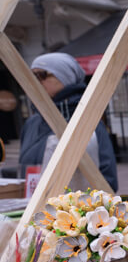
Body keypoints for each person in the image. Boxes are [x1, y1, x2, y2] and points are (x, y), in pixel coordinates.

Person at [19, 52, 118, 191]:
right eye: (31, 76)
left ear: (65, 77)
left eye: (41, 75)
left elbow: (108, 180)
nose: (35, 81)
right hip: (30, 208)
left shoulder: (88, 121)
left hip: (73, 210)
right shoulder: (31, 123)